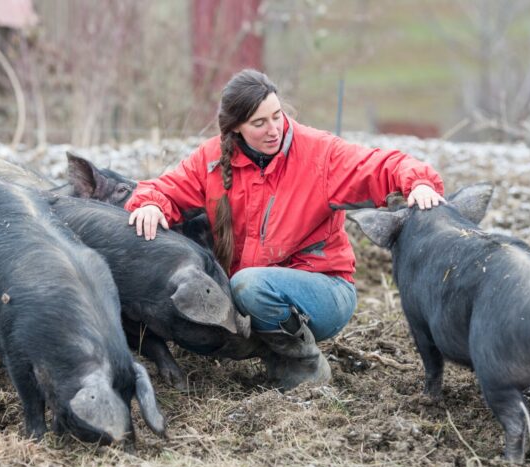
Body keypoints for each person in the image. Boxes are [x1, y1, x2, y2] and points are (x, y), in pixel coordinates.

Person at [125, 69, 446, 390]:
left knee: (248, 284)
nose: (274, 129)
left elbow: (381, 166)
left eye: (277, 117)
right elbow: (163, 189)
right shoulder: (211, 159)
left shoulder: (319, 154)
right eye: (259, 123)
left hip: (325, 292)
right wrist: (151, 204)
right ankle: (264, 347)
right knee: (208, 307)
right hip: (250, 292)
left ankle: (304, 364)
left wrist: (418, 183)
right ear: (235, 127)